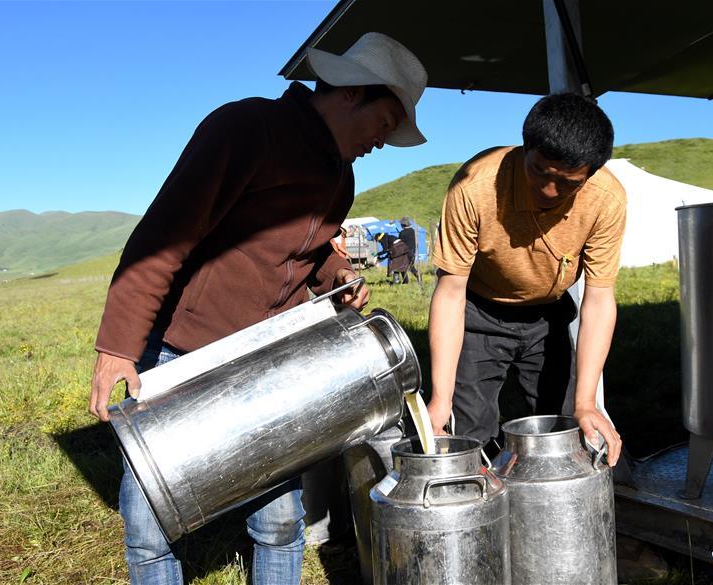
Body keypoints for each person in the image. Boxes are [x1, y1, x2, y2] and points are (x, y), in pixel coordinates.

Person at [88, 32, 427, 585]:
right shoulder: (245, 130)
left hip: (269, 363)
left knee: (278, 523)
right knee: (151, 532)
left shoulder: (340, 175)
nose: (383, 141)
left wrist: (336, 274)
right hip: (183, 351)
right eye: (384, 123)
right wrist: (118, 348)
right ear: (349, 93)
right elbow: (162, 239)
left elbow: (305, 251)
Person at [427, 93, 625, 467]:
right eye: (540, 173)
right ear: (524, 148)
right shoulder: (474, 186)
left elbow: (599, 299)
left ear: (590, 174)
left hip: (548, 315)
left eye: (568, 183)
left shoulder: (606, 200)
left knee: (563, 431)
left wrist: (586, 403)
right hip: (478, 313)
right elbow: (450, 291)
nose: (550, 191)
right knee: (468, 434)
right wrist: (440, 400)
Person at [397, 216, 422, 284]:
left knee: (401, 266)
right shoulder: (413, 231)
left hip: (405, 253)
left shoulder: (402, 233)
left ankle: (405, 281)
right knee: (411, 266)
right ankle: (418, 276)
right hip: (412, 252)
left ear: (403, 224)